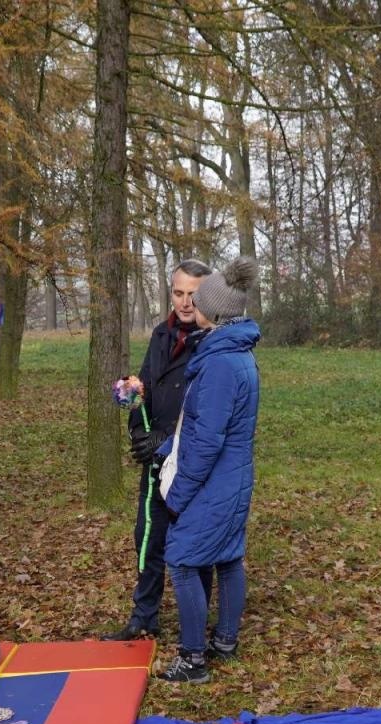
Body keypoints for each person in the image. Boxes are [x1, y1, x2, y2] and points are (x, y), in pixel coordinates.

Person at [156, 258, 261, 684]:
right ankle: (226, 641)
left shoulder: (220, 364)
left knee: (181, 561)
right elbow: (198, 426)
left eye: (198, 301)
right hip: (232, 478)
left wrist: (178, 492)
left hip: (216, 483)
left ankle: (194, 659)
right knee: (229, 557)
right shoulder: (233, 353)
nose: (191, 305)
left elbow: (207, 439)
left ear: (214, 313)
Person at [101, 259, 213, 641]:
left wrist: (165, 439)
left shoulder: (211, 342)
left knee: (193, 544)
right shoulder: (161, 335)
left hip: (190, 461)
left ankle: (194, 628)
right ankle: (143, 617)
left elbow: (202, 411)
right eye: (179, 293)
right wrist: (139, 431)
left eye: (193, 295)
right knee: (147, 538)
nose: (185, 303)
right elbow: (144, 388)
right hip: (156, 461)